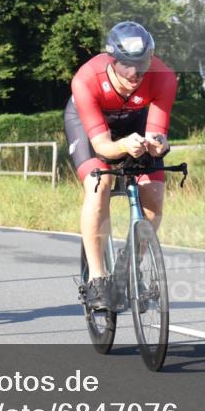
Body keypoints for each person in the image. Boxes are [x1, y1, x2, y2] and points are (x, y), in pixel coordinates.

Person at [64, 21, 178, 309]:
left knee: (153, 193)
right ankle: (97, 280)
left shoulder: (163, 77)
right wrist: (124, 146)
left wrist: (157, 144)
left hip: (134, 121)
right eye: (127, 64)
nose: (135, 73)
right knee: (99, 182)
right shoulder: (86, 79)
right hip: (91, 126)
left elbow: (156, 132)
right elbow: (102, 147)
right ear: (112, 60)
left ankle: (129, 267)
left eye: (142, 64)